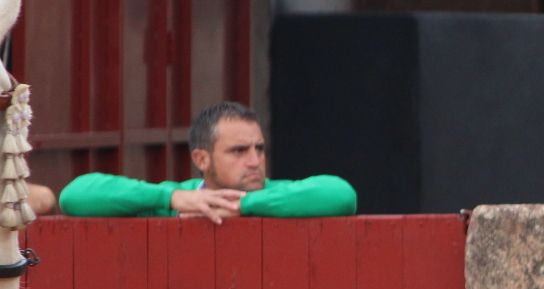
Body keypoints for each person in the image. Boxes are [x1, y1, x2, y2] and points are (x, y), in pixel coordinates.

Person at [58, 102, 356, 221]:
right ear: (202, 158)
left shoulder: (276, 193)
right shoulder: (180, 199)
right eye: (239, 151)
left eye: (259, 149)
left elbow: (341, 194)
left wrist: (241, 206)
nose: (255, 161)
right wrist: (171, 197)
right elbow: (75, 196)